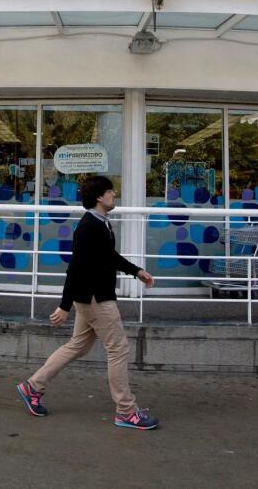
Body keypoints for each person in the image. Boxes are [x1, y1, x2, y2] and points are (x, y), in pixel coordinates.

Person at [16, 175, 159, 430]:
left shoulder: (101, 223)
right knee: (118, 348)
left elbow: (109, 257)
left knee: (77, 346)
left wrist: (137, 272)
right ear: (98, 197)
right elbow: (76, 268)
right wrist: (64, 305)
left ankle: (33, 386)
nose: (114, 194)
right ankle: (126, 410)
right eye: (109, 191)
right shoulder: (88, 227)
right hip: (96, 299)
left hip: (90, 297)